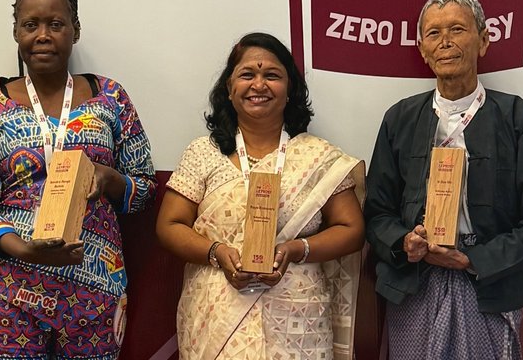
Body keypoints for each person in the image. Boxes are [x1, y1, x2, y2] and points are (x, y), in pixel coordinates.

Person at [0, 0, 156, 360]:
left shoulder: (111, 97)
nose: (43, 35)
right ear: (16, 32)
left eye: (56, 24)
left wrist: (112, 180)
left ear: (75, 31)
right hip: (8, 287)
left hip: (93, 289)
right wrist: (26, 251)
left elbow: (144, 188)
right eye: (31, 25)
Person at [364, 0, 523, 359]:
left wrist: (473, 259)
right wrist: (403, 242)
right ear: (423, 49)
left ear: (484, 40)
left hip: (487, 283)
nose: (446, 42)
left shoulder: (519, 120)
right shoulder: (399, 119)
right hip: (415, 283)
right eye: (434, 34)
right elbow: (377, 212)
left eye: (457, 29)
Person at [156, 32, 366, 360]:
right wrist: (217, 252)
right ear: (229, 88)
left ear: (290, 88)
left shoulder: (319, 156)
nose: (259, 85)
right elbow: (170, 224)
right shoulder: (203, 153)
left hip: (298, 320)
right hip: (216, 316)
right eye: (247, 74)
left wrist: (297, 249)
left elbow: (351, 229)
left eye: (272, 75)